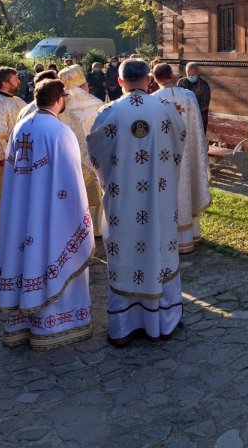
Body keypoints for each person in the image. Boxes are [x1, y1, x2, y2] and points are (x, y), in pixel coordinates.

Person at [87, 58, 185, 345]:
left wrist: (109, 180)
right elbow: (181, 140)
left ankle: (124, 326)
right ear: (148, 80)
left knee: (126, 252)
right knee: (159, 248)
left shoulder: (109, 112)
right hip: (159, 199)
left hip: (122, 200)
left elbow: (96, 152)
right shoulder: (166, 110)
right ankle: (163, 320)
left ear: (119, 81)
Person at [0, 79, 95, 350]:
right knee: (51, 253)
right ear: (60, 100)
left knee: (25, 255)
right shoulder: (59, 132)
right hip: (51, 215)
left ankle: (21, 324)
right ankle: (58, 322)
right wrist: (78, 217)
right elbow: (70, 182)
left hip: (22, 212)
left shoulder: (21, 127)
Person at [152, 63, 211, 251]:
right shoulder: (188, 96)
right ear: (172, 75)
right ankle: (190, 235)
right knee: (186, 187)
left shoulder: (153, 100)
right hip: (187, 153)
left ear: (155, 79)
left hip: (164, 157)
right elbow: (197, 128)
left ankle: (168, 240)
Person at [57, 65, 106, 237]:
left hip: (71, 161)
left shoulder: (59, 107)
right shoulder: (97, 104)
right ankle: (99, 228)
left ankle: (76, 227)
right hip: (95, 159)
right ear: (84, 83)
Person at [0, 67, 26, 247]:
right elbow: (1, 133)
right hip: (5, 158)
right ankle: (5, 235)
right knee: (3, 196)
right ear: (4, 83)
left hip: (18, 155)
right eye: (15, 79)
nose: (18, 81)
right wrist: (10, 156)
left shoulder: (14, 99)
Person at [177, 62, 211, 134]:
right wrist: (180, 110)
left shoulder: (204, 85)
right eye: (189, 75)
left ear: (197, 72)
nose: (191, 77)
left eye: (193, 75)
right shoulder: (181, 82)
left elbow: (205, 104)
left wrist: (191, 109)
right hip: (184, 117)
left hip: (199, 118)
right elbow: (177, 98)